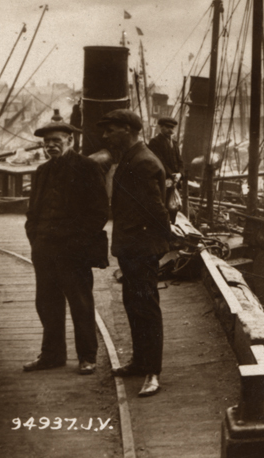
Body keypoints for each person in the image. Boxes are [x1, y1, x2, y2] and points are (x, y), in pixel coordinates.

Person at [23, 121, 109, 375]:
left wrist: (78, 243)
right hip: (44, 248)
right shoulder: (41, 171)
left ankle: (87, 356)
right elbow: (33, 211)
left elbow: (99, 212)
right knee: (47, 303)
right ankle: (52, 355)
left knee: (80, 303)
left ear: (70, 141)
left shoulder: (87, 167)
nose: (51, 146)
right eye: (47, 142)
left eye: (56, 141)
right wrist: (35, 238)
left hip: (73, 250)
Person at [99, 109, 171, 398]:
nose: (105, 136)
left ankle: (153, 372)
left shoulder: (142, 162)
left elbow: (156, 210)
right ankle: (140, 362)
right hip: (132, 247)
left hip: (142, 248)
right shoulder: (131, 157)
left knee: (147, 308)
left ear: (128, 130)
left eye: (110, 130)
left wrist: (159, 244)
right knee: (133, 303)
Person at [147, 116, 182, 219]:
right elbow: (159, 161)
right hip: (163, 179)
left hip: (175, 179)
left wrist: (180, 173)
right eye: (168, 127)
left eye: (172, 128)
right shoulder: (155, 142)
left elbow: (180, 161)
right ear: (160, 127)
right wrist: (172, 175)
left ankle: (172, 225)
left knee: (173, 205)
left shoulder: (175, 143)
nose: (170, 130)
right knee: (162, 204)